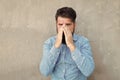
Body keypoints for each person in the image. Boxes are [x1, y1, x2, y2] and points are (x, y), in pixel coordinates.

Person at [39, 7, 95, 80]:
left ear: (74, 25)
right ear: (56, 24)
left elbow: (88, 71)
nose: (63, 28)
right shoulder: (49, 43)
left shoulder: (83, 42)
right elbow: (44, 71)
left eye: (68, 25)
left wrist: (72, 46)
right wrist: (56, 46)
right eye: (60, 24)